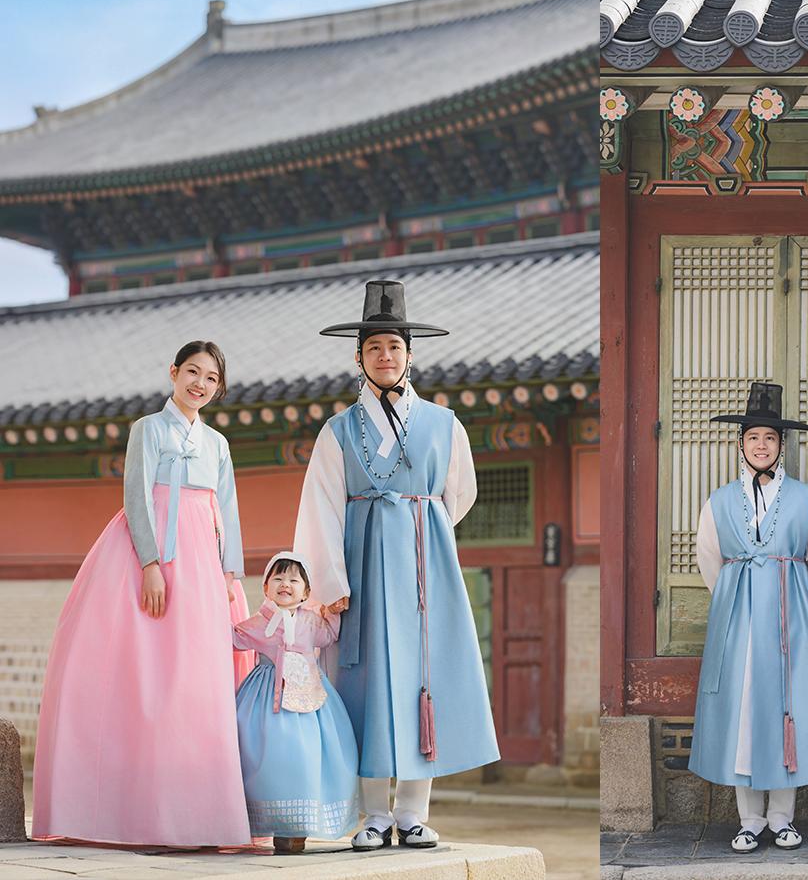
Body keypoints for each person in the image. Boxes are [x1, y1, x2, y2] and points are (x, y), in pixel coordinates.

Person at [294, 280, 498, 851]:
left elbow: (458, 495)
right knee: (363, 684)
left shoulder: (443, 423)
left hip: (424, 569)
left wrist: (420, 528)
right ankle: (374, 815)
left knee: (421, 683)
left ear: (410, 355)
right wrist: (330, 581)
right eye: (374, 348)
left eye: (394, 347)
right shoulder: (337, 431)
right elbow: (320, 506)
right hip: (360, 569)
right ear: (358, 358)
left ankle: (412, 813)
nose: (385, 356)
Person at [32, 341, 252, 846]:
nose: (200, 384)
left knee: (198, 679)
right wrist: (150, 564)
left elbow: (228, 509)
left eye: (211, 378)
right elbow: (136, 495)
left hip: (204, 561)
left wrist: (230, 573)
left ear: (219, 388)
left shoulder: (217, 443)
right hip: (150, 554)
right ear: (173, 372)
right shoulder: (148, 429)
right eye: (192, 372)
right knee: (147, 676)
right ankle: (134, 811)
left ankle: (198, 813)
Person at [688, 382, 808, 854]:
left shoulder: (807, 499)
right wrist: (739, 594)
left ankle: (782, 818)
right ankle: (749, 820)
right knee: (744, 714)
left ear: (781, 445)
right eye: (753, 437)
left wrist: (789, 591)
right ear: (741, 444)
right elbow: (710, 560)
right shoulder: (718, 501)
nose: (761, 445)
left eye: (770, 438)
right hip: (738, 623)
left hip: (789, 620)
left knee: (785, 709)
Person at [232, 552, 360, 853]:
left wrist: (333, 611)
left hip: (310, 697)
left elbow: (329, 635)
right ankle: (272, 821)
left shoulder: (311, 622)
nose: (285, 584)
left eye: (293, 579)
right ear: (265, 587)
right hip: (265, 699)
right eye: (277, 578)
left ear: (306, 592)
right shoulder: (258, 623)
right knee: (269, 753)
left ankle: (298, 826)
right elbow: (233, 638)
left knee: (308, 753)